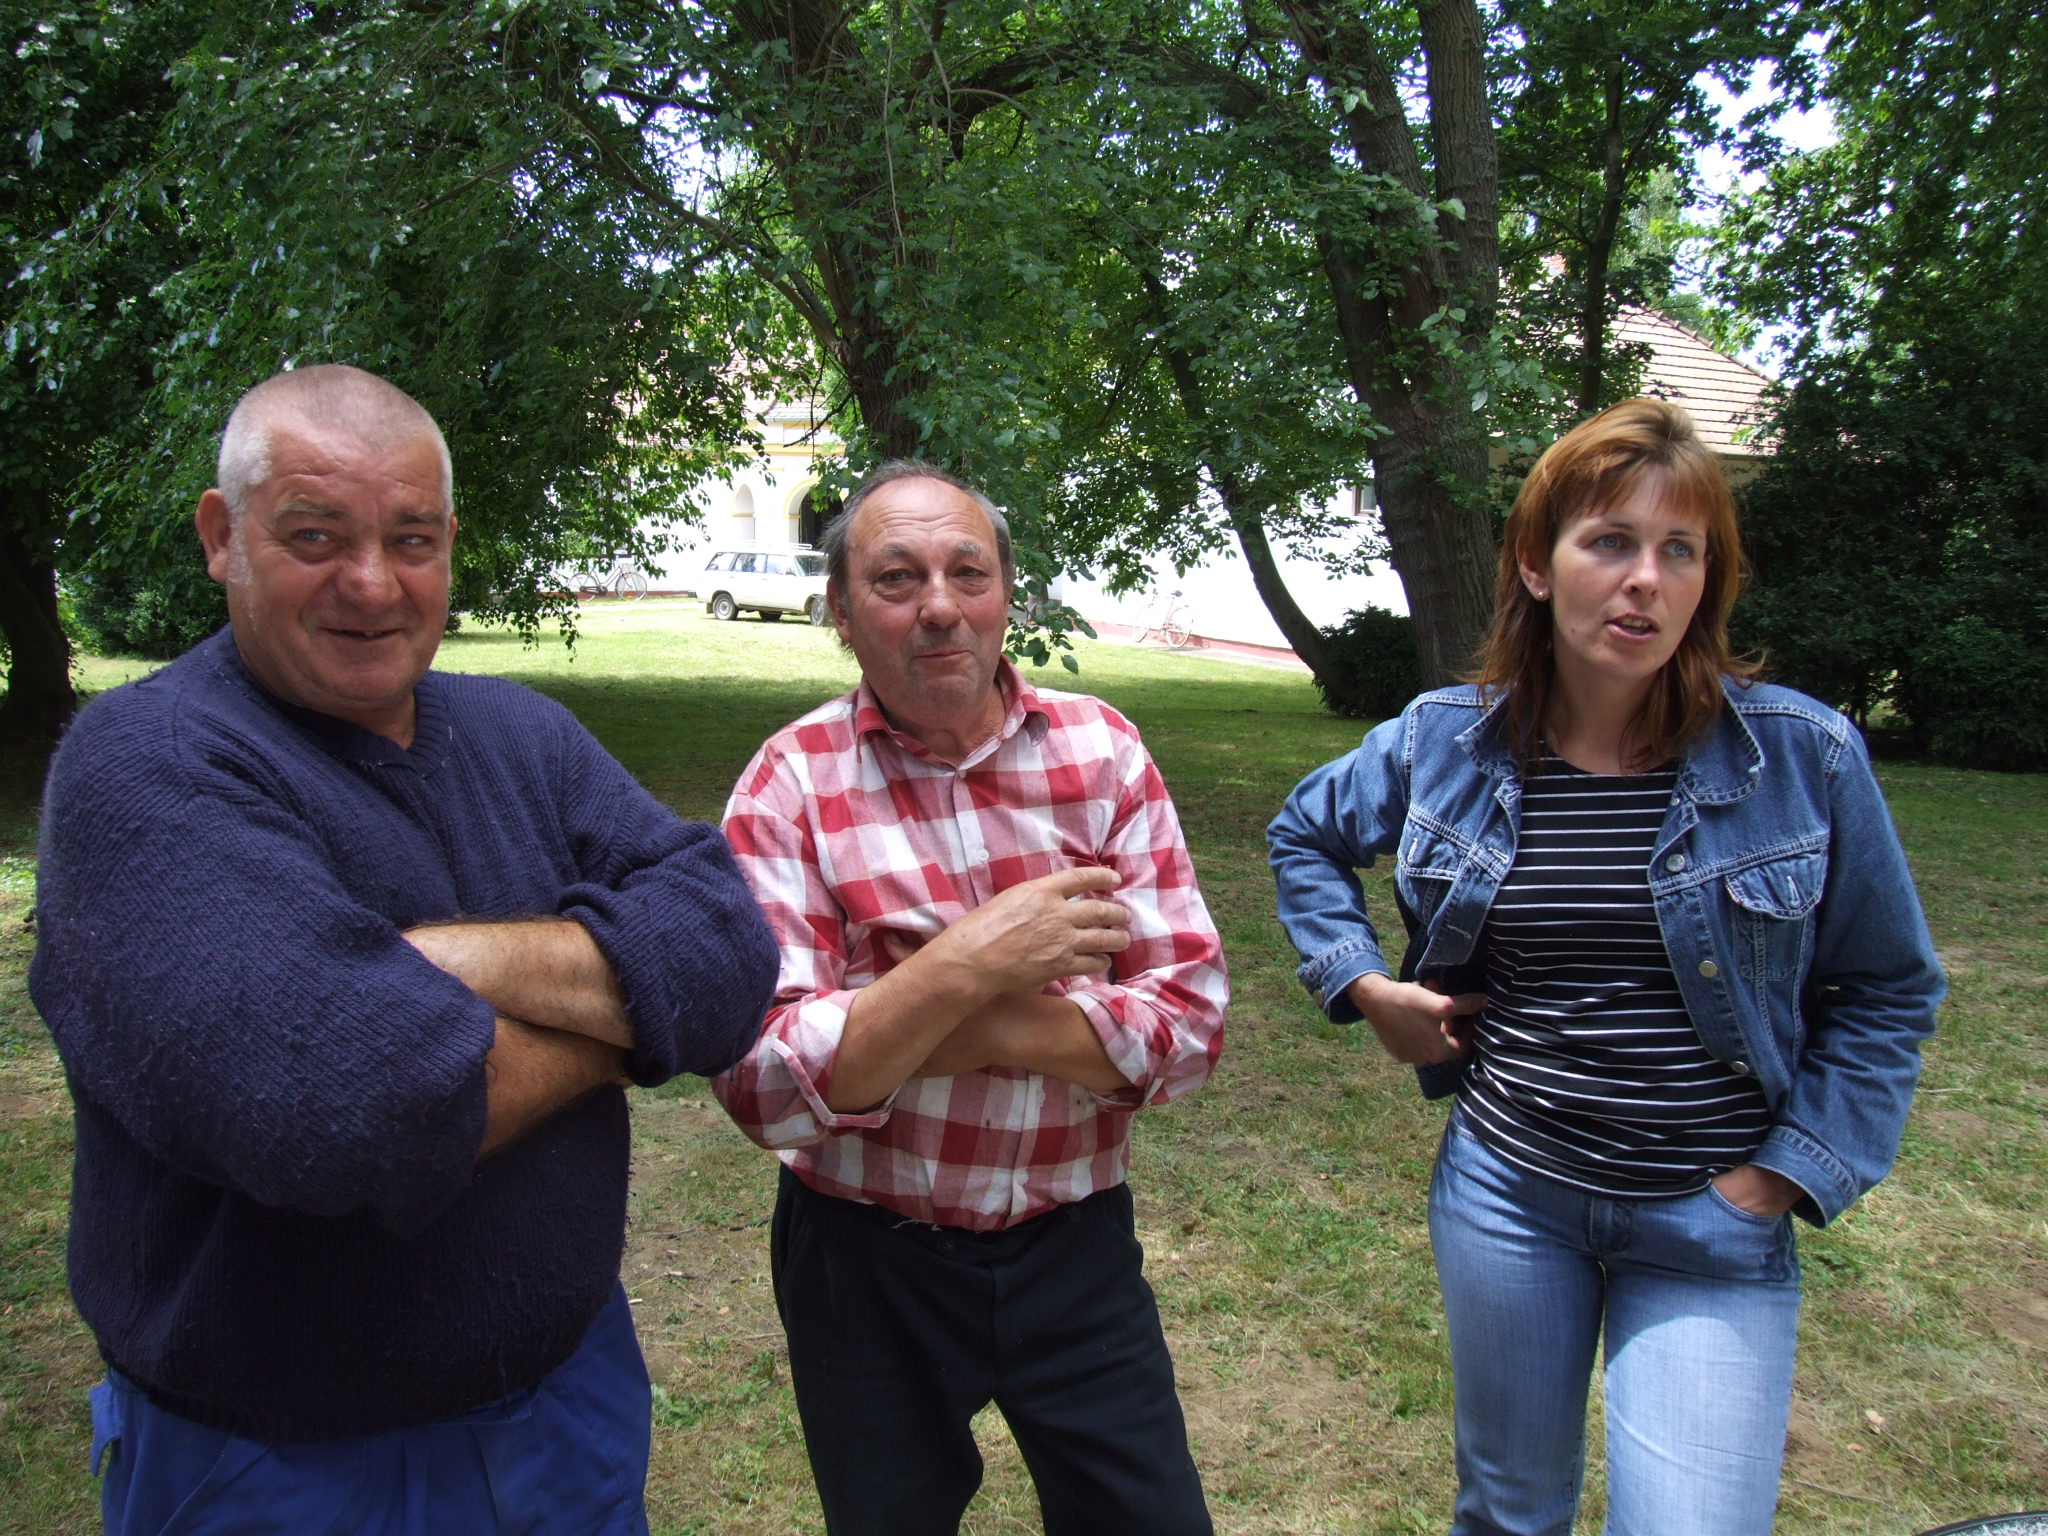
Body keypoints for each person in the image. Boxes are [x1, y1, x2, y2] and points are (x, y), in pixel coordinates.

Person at [30, 365, 779, 1535]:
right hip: (278, 1470)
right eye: (315, 536)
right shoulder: (149, 765)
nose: (372, 583)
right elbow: (351, 1108)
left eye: (411, 539)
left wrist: (443, 970)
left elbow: (732, 946)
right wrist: (639, 1013)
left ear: (449, 546)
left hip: (573, 1409)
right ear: (223, 537)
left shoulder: (521, 733)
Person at [1268, 399, 1944, 1536]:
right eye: (1610, 542)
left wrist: (1780, 1179)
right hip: (1507, 1194)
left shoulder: (1800, 755)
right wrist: (1364, 986)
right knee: (1508, 1511)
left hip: (1711, 1221)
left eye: (1680, 550)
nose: (1645, 580)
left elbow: (1885, 989)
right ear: (1538, 566)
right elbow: (1305, 831)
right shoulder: (1447, 738)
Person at [711, 461, 1228, 1536]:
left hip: (1075, 1245)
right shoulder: (788, 783)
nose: (939, 606)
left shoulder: (1102, 752)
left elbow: (1187, 1027)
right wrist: (970, 964)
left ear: (1006, 594)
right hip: (864, 1261)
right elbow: (765, 1083)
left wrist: (909, 1009)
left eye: (967, 572)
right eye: (896, 578)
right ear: (841, 611)